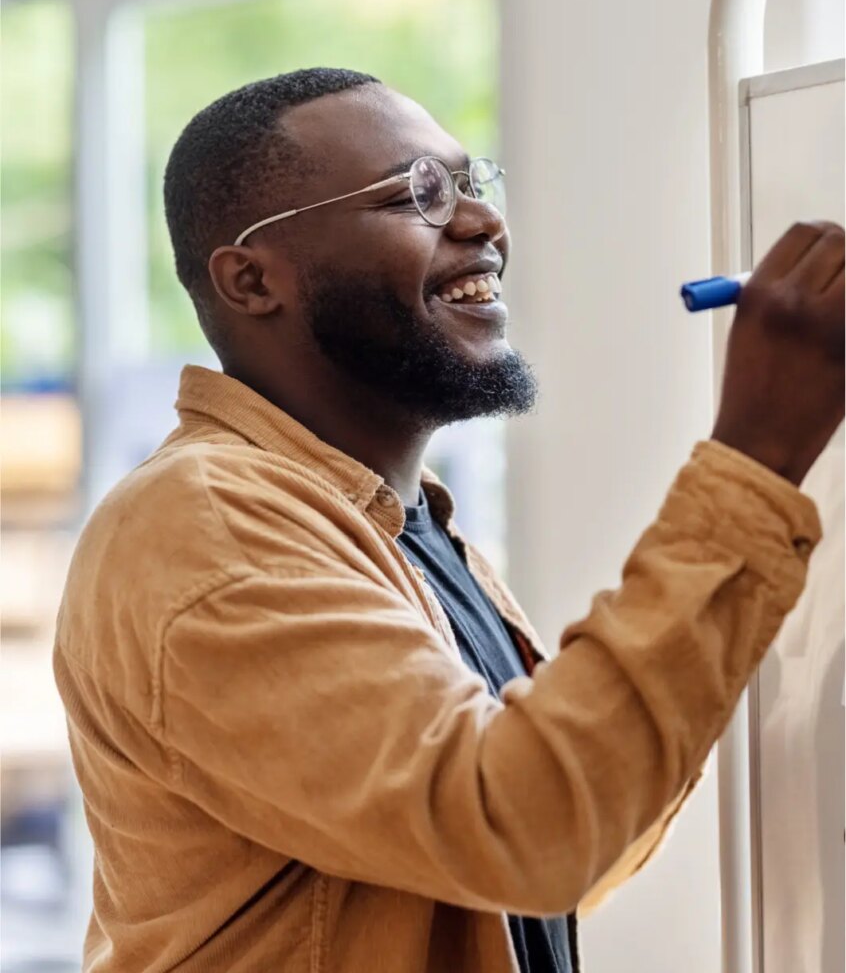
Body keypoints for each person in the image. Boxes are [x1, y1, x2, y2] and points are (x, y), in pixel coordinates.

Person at [53, 67, 844, 973]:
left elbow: (564, 852)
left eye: (471, 183)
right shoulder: (205, 527)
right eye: (417, 195)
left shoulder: (398, 526)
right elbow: (528, 828)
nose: (482, 222)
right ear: (252, 279)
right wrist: (756, 454)